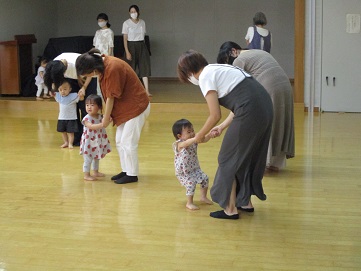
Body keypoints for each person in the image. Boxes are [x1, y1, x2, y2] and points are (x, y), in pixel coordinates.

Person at [177, 50, 273, 220]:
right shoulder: (218, 68)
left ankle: (230, 209)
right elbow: (239, 104)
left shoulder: (205, 76)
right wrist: (221, 128)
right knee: (245, 157)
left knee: (227, 158)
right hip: (264, 107)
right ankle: (244, 202)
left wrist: (199, 136)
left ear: (188, 72)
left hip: (250, 111)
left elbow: (215, 114)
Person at [75, 48, 150, 184]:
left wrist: (104, 120)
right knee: (120, 141)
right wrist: (106, 116)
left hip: (136, 107)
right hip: (126, 108)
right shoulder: (104, 66)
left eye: (89, 74)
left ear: (93, 69)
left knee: (128, 141)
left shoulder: (112, 67)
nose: (90, 76)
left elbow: (110, 97)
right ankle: (126, 170)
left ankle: (132, 174)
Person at [217, 41, 295, 172]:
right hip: (286, 86)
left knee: (264, 122)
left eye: (228, 60)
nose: (231, 63)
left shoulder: (239, 60)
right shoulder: (258, 52)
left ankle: (262, 163)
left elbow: (240, 100)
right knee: (279, 121)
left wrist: (222, 125)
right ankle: (275, 163)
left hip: (270, 87)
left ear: (233, 51)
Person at [44, 53, 97, 145]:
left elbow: (89, 74)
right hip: (71, 80)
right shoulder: (54, 66)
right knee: (71, 107)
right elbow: (51, 79)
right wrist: (52, 89)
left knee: (86, 107)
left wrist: (84, 88)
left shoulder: (75, 64)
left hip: (87, 76)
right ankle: (76, 139)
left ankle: (89, 137)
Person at [172, 119, 213, 210]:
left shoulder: (193, 140)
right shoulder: (179, 144)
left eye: (193, 131)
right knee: (191, 184)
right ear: (180, 136)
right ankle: (189, 203)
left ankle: (203, 197)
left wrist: (209, 135)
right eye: (189, 132)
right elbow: (186, 143)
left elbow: (204, 139)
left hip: (194, 169)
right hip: (184, 172)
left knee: (205, 178)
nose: (192, 133)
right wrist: (195, 138)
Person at [122, 4, 152, 97]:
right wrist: (127, 51)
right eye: (131, 12)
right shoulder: (126, 23)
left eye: (134, 12)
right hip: (131, 45)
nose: (133, 13)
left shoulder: (142, 22)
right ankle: (131, 90)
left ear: (138, 12)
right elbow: (125, 38)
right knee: (131, 69)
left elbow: (143, 35)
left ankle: (146, 90)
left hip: (141, 45)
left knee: (144, 67)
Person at [80, 94, 111, 181]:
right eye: (87, 105)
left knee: (96, 157)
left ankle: (95, 171)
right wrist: (102, 124)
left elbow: (107, 119)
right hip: (88, 142)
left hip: (97, 141)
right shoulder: (86, 118)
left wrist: (108, 119)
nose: (89, 107)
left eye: (92, 105)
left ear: (99, 107)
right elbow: (91, 126)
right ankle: (86, 174)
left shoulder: (100, 117)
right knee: (88, 159)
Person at [54, 79, 84, 149]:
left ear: (70, 89)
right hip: (61, 118)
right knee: (63, 132)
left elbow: (81, 99)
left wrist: (81, 95)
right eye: (60, 89)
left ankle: (70, 143)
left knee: (71, 132)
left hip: (71, 118)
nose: (62, 91)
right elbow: (53, 93)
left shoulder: (73, 96)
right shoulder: (59, 96)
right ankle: (66, 142)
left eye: (65, 89)